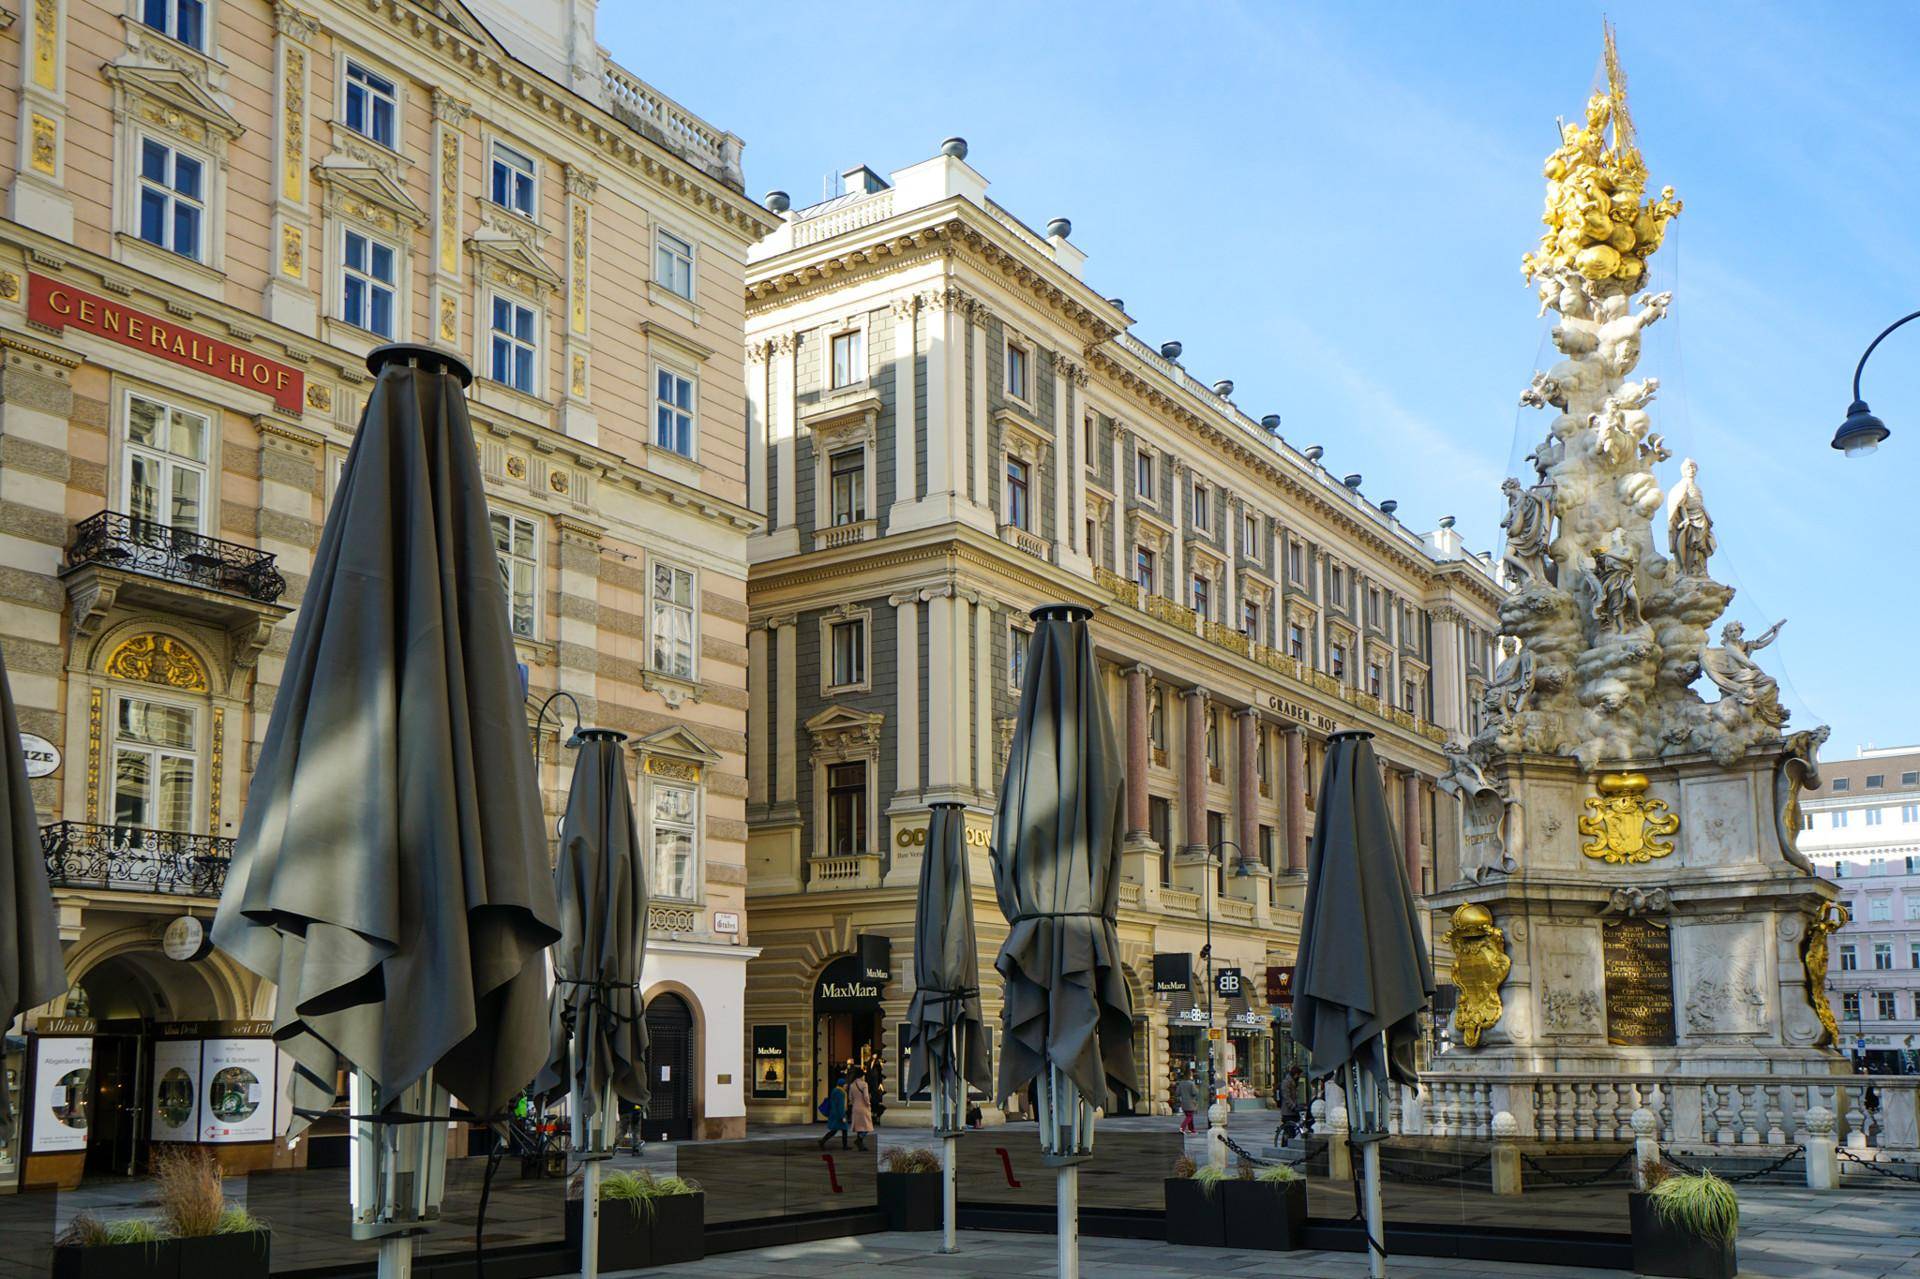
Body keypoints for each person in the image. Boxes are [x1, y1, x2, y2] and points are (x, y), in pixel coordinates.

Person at [817, 1071, 850, 1150]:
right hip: (838, 1114)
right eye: (845, 1084)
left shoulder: (835, 1090)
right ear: (842, 1084)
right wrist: (843, 1116)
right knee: (838, 1130)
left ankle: (823, 1141)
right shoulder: (841, 1093)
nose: (846, 1085)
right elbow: (840, 1106)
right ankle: (823, 1141)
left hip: (834, 1113)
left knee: (838, 1130)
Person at [848, 1067, 874, 1151]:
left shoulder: (852, 1085)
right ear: (861, 1076)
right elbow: (866, 1096)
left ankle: (861, 1146)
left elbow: (850, 1098)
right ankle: (859, 1140)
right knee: (867, 1126)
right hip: (863, 1107)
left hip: (855, 1108)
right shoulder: (864, 1084)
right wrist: (868, 1103)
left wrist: (853, 1103)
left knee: (859, 1127)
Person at [1173, 1070, 1201, 1135]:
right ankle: (1182, 1128)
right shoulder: (1191, 1083)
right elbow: (1195, 1092)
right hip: (1191, 1102)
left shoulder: (1181, 1083)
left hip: (1183, 1103)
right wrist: (1197, 1088)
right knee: (1189, 1116)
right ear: (1190, 1076)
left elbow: (1177, 1093)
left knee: (1189, 1116)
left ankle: (1192, 1130)